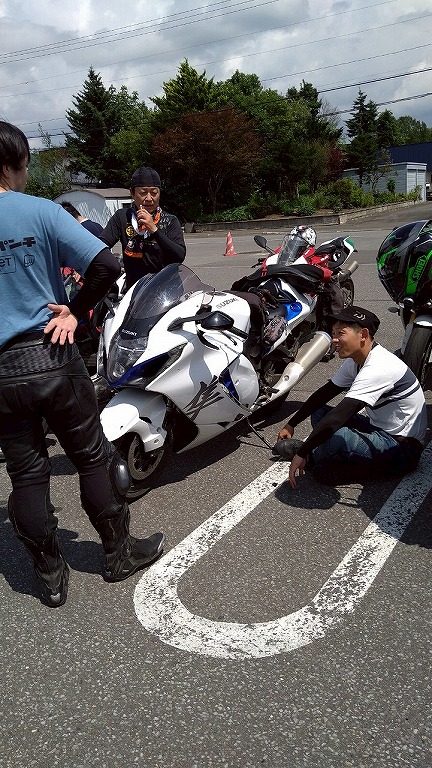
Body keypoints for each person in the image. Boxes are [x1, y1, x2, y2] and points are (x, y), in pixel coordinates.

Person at [0, 121, 164, 607]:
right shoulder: (40, 211)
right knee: (91, 457)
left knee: (27, 474)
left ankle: (50, 574)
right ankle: (117, 554)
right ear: (12, 165)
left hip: (2, 373)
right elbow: (106, 266)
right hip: (51, 353)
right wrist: (74, 310)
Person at [274, 305, 427, 488]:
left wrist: (302, 453)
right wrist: (291, 424)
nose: (334, 339)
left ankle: (313, 459)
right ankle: (334, 458)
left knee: (340, 437)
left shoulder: (379, 368)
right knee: (320, 413)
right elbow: (324, 394)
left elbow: (340, 415)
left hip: (403, 449)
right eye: (333, 333)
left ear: (363, 335)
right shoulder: (357, 360)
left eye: (341, 333)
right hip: (379, 429)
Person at [99, 166, 186, 291]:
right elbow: (102, 244)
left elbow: (179, 256)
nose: (149, 198)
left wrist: (154, 230)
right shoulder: (122, 217)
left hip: (167, 290)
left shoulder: (170, 220)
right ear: (132, 193)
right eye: (143, 193)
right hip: (135, 291)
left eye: (154, 193)